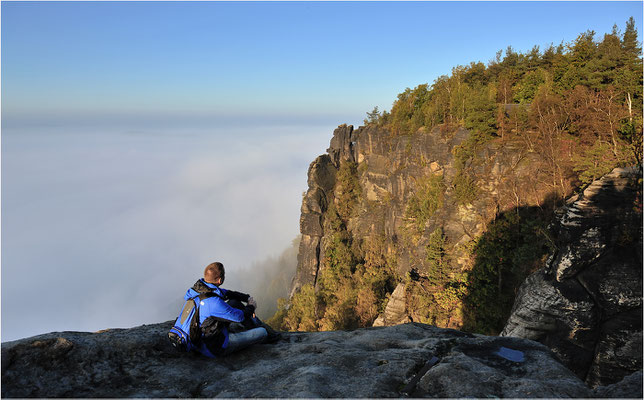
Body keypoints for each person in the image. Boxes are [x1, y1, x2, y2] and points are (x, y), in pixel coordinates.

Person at [181, 261, 279, 357]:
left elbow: (229, 294)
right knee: (262, 332)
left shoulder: (198, 290)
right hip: (214, 347)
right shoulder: (213, 302)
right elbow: (239, 317)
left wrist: (247, 298)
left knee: (234, 302)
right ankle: (264, 332)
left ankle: (253, 326)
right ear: (220, 280)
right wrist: (251, 306)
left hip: (200, 335)